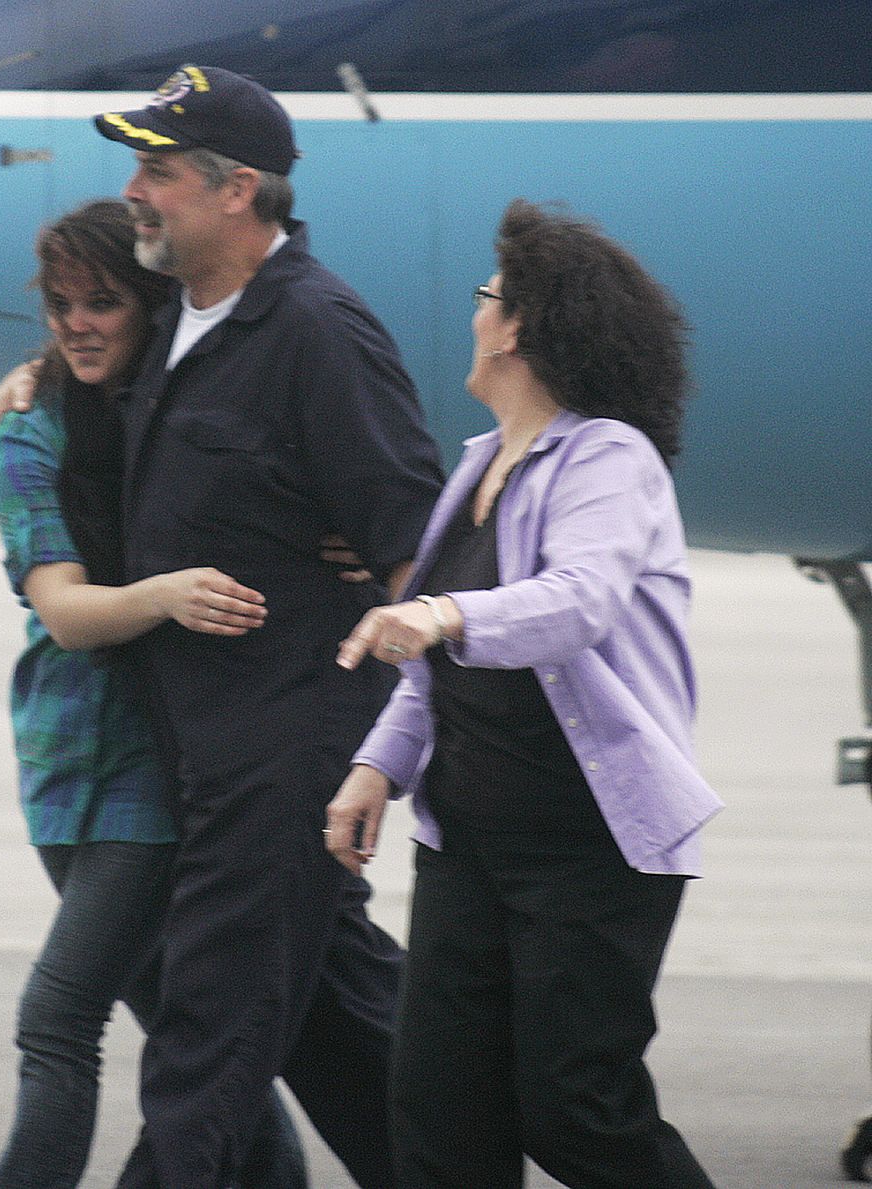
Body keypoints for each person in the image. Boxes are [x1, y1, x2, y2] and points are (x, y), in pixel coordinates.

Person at [91, 66, 445, 1189]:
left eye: (156, 170)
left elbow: (411, 552)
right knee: (341, 1021)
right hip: (205, 738)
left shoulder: (317, 331)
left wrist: (397, 754)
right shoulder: (185, 316)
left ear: (238, 189)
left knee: (210, 1027)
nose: (134, 191)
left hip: (289, 742)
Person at [326, 198, 722, 1188]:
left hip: (590, 848)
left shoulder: (608, 458)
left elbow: (576, 601)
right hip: (472, 841)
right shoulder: (473, 467)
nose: (473, 313)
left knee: (575, 1109)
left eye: (485, 296)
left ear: (519, 326)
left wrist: (444, 614)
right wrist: (377, 765)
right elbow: (434, 666)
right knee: (439, 1119)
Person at [0, 198, 308, 1188]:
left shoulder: (188, 417)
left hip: (158, 774)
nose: (76, 322)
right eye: (58, 303)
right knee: (189, 1037)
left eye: (102, 302)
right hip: (61, 764)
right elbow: (67, 611)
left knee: (57, 1020)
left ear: (152, 306)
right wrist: (166, 595)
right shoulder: (29, 431)